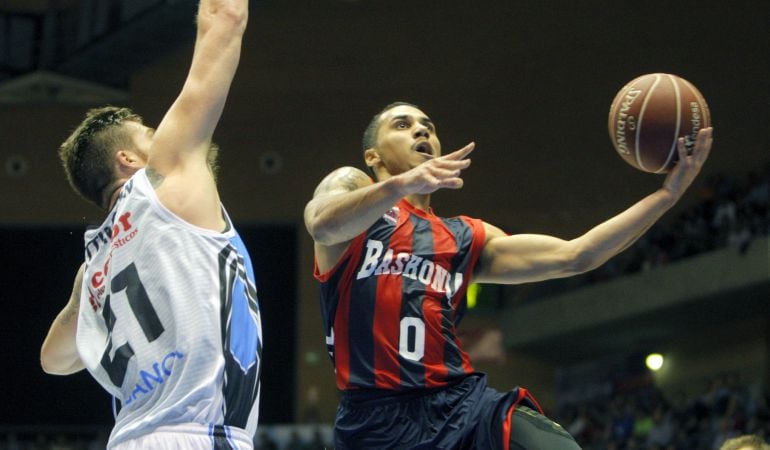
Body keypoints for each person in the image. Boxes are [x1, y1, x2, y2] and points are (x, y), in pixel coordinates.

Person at [304, 101, 713, 449]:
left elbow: (577, 255)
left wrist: (666, 196)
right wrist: (400, 185)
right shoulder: (352, 189)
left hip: (461, 405)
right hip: (374, 421)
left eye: (428, 127)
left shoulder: (464, 236)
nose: (420, 131)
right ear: (373, 156)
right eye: (403, 125)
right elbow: (322, 225)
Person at [39, 0, 261, 449]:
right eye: (149, 133)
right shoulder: (166, 176)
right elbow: (225, 18)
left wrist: (82, 297)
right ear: (129, 159)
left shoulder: (96, 261)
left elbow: (53, 360)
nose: (163, 134)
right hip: (199, 433)